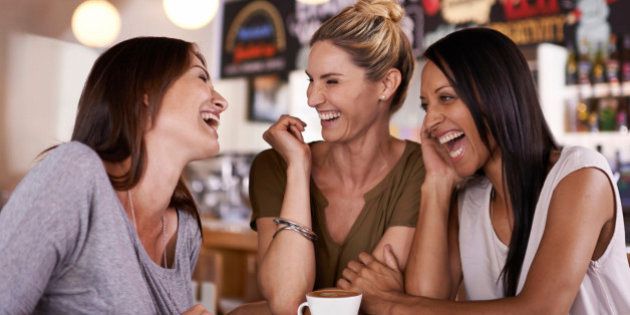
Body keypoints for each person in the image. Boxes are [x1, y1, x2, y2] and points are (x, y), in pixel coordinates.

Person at [337, 27, 630, 314]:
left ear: (496, 95)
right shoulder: (468, 199)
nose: (430, 123)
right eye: (427, 106)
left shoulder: (580, 176)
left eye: (447, 98)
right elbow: (427, 298)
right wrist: (437, 183)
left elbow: (541, 310)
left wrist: (388, 302)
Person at [0, 37, 227, 314]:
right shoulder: (76, 173)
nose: (221, 101)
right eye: (201, 77)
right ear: (146, 89)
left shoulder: (184, 229)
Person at [229, 1, 422, 314]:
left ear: (386, 84)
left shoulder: (419, 169)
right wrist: (298, 167)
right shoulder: (275, 166)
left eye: (331, 81)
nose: (312, 98)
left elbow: (373, 300)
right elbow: (286, 300)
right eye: (311, 80)